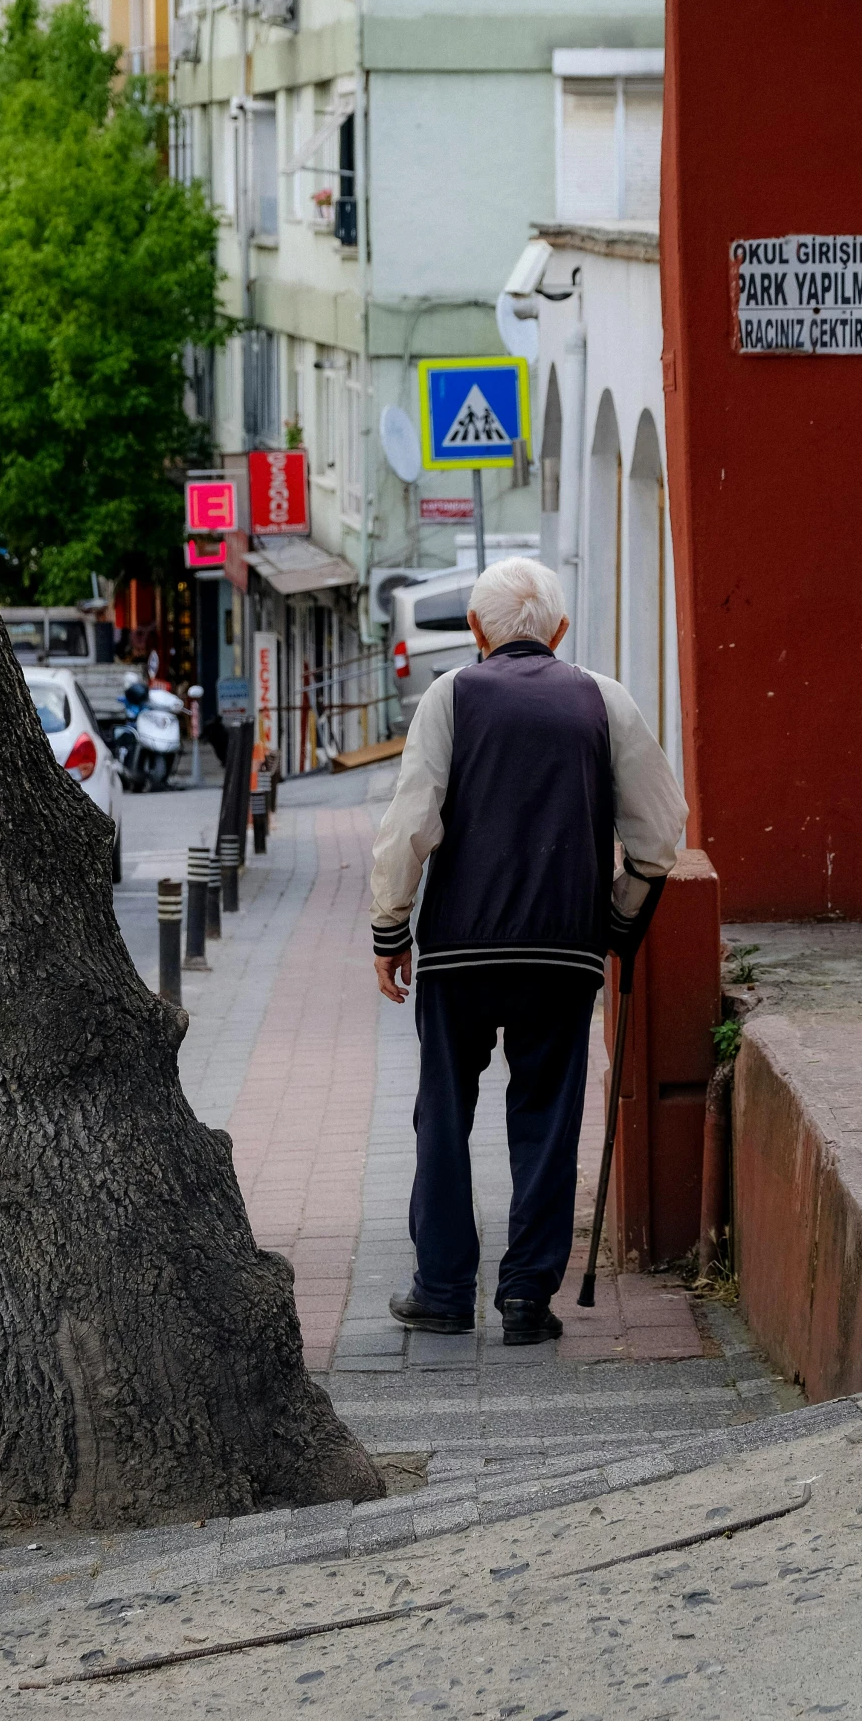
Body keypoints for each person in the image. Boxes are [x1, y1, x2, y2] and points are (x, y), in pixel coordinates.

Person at [370, 557, 687, 1345]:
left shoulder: (450, 695)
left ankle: (442, 1290)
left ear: (475, 632)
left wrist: (389, 927)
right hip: (562, 949)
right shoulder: (602, 699)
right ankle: (524, 1297)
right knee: (545, 1118)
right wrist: (620, 918)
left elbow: (412, 821)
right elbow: (658, 833)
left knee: (442, 1112)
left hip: (458, 949)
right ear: (560, 631)